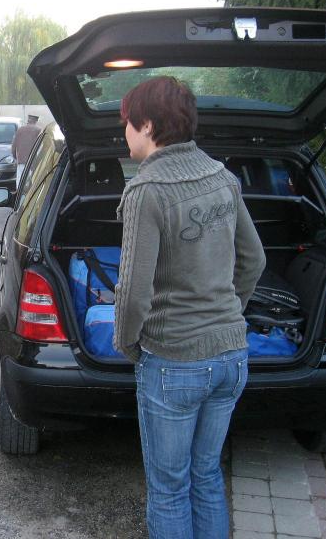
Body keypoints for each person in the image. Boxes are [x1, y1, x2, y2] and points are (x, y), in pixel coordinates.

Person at [113, 76, 265, 539]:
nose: (124, 131)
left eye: (127, 122)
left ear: (148, 126)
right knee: (206, 475)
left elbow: (133, 292)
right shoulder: (223, 177)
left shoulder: (147, 191)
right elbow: (254, 260)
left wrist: (128, 344)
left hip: (174, 360)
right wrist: (227, 316)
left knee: (169, 490)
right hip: (232, 358)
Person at [11, 113, 42, 186]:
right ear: (36, 120)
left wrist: (16, 157)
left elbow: (13, 146)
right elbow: (41, 147)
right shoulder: (39, 130)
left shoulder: (20, 130)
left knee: (20, 183)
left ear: (28, 120)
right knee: (30, 184)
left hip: (21, 161)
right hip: (33, 162)